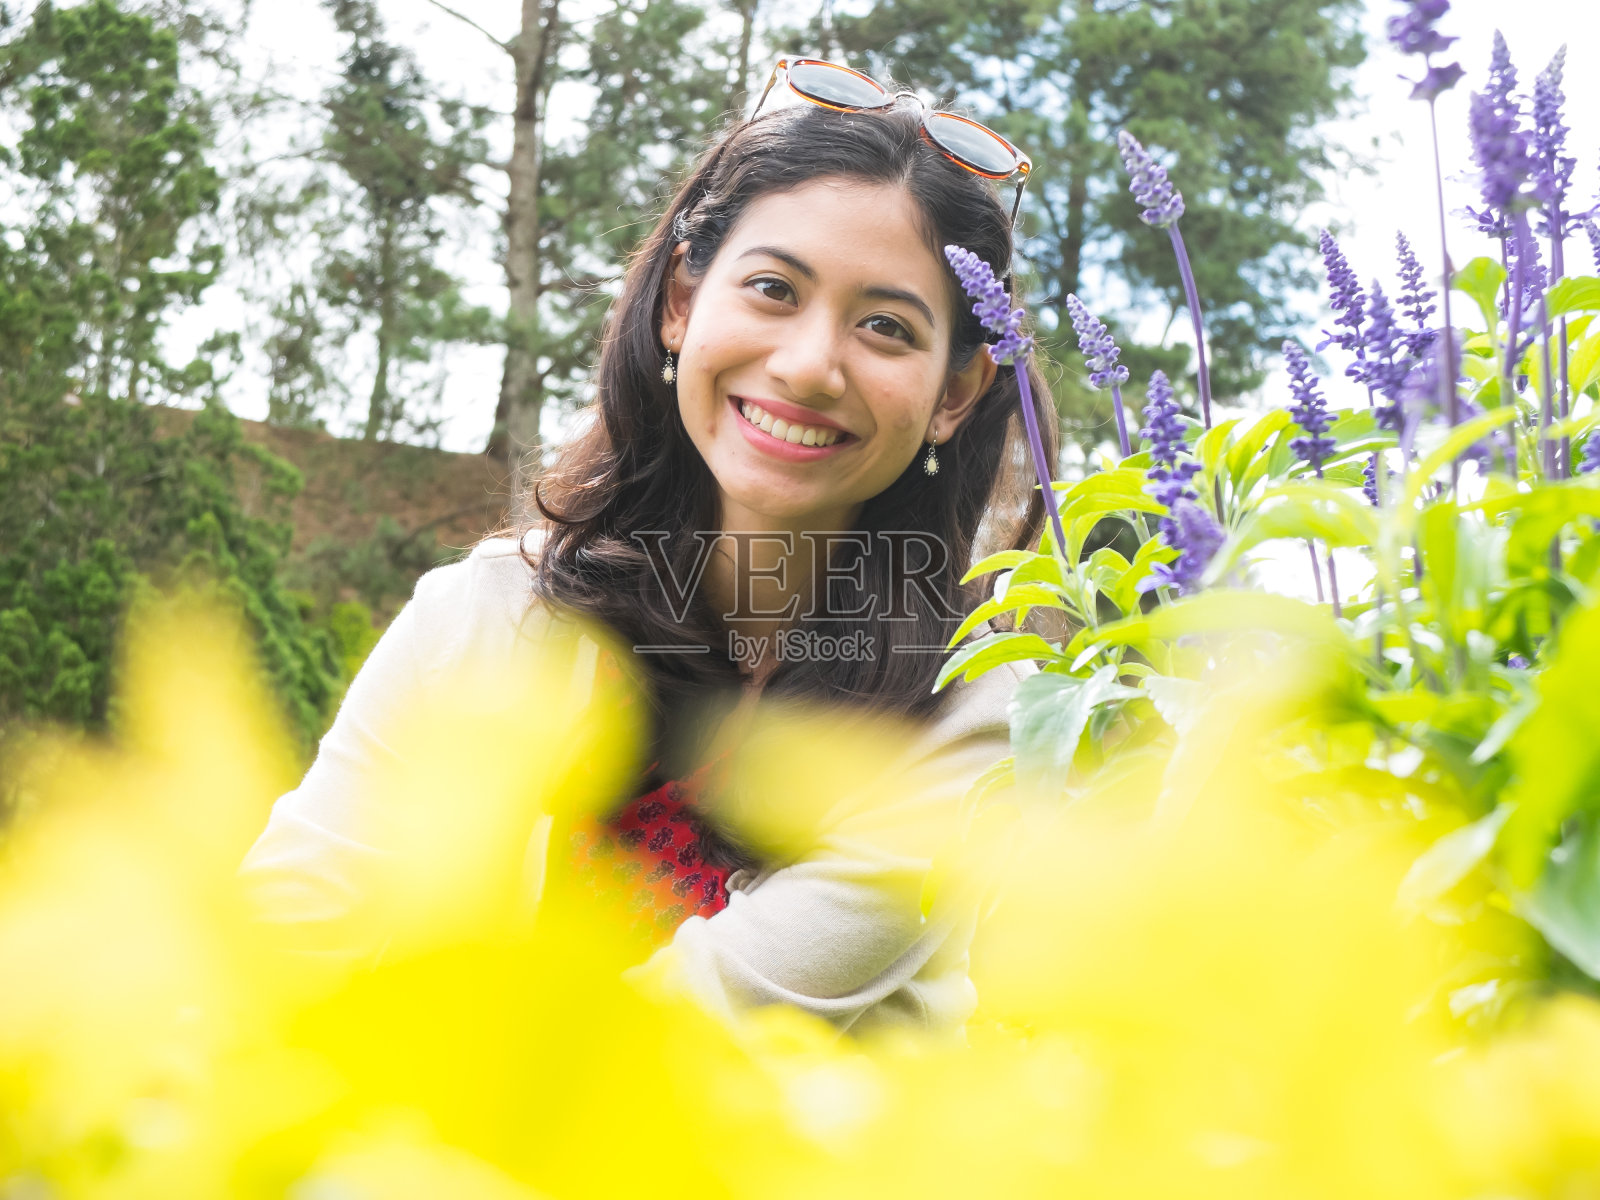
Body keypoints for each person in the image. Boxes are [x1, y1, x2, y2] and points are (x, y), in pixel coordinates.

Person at [240, 58, 1057, 1038]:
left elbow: (690, 1035)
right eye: (772, 288)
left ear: (954, 394)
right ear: (681, 302)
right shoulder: (483, 615)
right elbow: (278, 944)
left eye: (884, 326)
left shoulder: (973, 706)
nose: (808, 366)